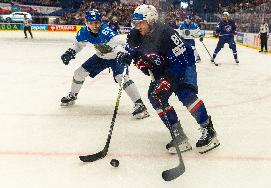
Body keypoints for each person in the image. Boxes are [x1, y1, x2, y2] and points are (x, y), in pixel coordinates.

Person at [118, 4, 220, 154]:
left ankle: (208, 130)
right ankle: (179, 135)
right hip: (163, 67)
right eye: (135, 22)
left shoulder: (166, 33)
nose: (137, 26)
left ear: (151, 21)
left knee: (185, 94)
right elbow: (132, 49)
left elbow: (181, 61)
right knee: (155, 97)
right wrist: (127, 56)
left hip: (183, 63)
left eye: (141, 22)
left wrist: (168, 80)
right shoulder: (135, 34)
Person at [60, 9, 149, 119]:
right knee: (79, 73)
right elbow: (79, 44)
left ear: (101, 21)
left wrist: (121, 53)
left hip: (116, 56)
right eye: (91, 23)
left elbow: (118, 43)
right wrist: (71, 51)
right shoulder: (83, 32)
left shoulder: (106, 31)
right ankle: (72, 96)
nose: (94, 25)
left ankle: (140, 104)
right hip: (100, 57)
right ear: (86, 22)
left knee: (121, 77)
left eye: (97, 22)